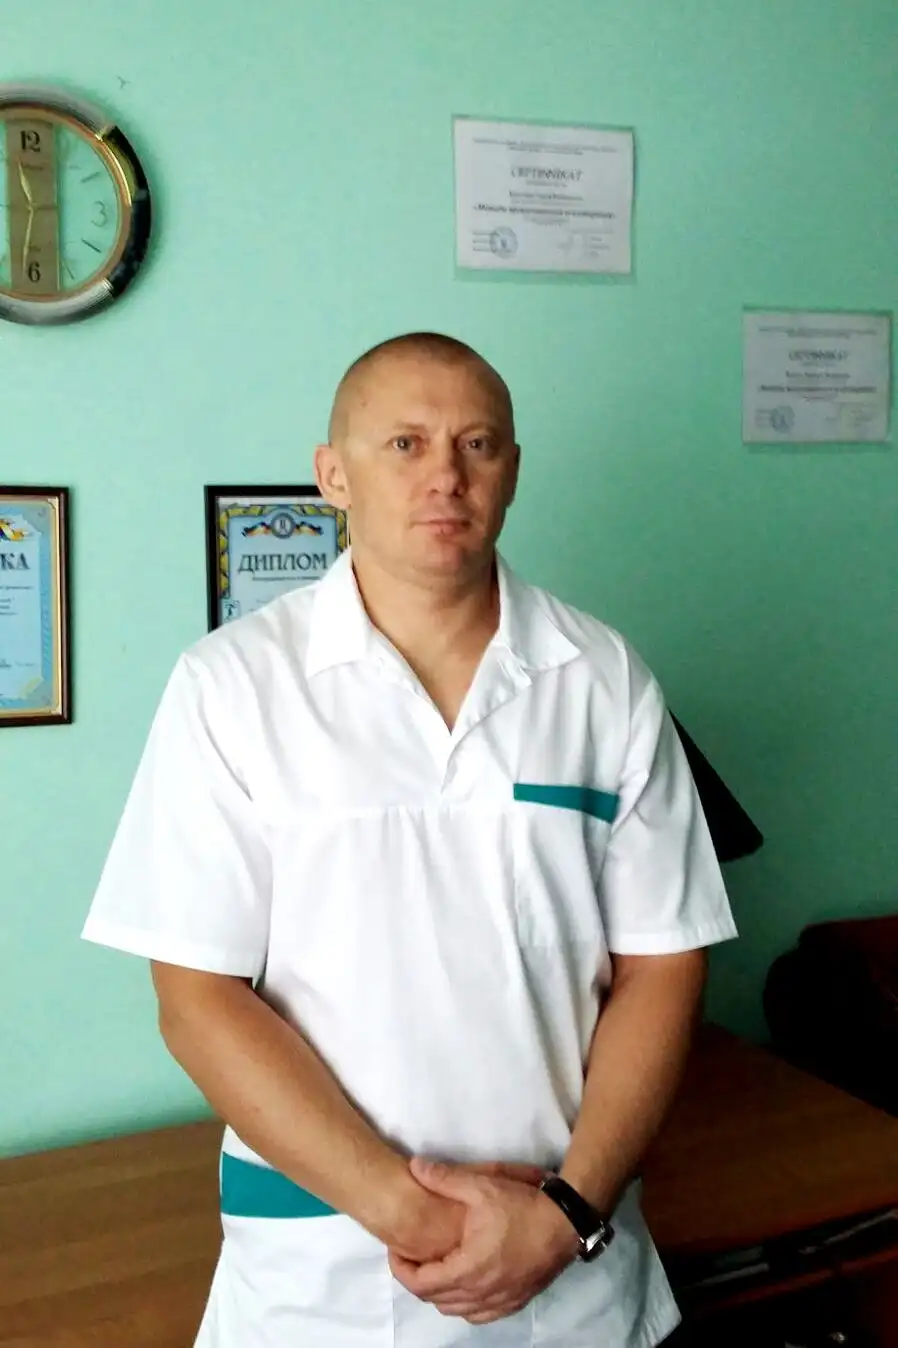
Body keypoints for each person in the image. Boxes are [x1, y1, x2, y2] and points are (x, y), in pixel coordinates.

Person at [82, 332, 737, 1348]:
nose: (446, 475)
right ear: (332, 475)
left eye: (478, 444)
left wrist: (563, 1213)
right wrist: (412, 1213)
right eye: (405, 443)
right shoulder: (233, 687)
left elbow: (664, 963)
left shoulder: (604, 680)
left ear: (512, 470)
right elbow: (198, 1000)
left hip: (571, 1262)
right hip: (322, 1276)